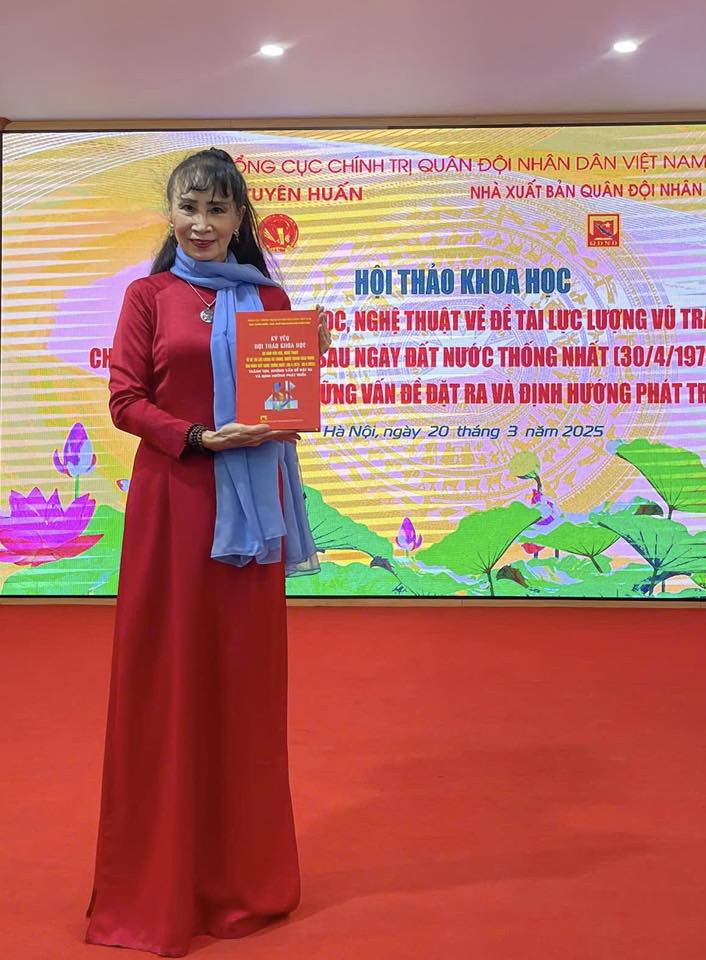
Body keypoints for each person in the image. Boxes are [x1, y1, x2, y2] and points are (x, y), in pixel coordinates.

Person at [85, 148, 330, 957]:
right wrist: (196, 436)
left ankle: (241, 882)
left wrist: (309, 358)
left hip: (250, 521)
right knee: (168, 684)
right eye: (189, 207)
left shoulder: (269, 299)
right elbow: (125, 399)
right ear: (171, 212)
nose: (202, 223)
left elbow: (280, 403)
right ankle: (157, 882)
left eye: (218, 209)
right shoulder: (148, 296)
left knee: (242, 687)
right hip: (176, 506)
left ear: (239, 219)